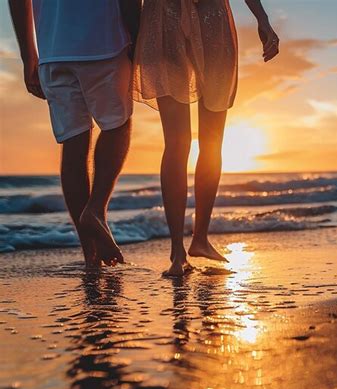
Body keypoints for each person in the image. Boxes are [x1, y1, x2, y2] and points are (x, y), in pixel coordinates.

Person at [133, 0, 279, 276]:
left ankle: (183, 250)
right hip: (182, 18)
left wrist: (263, 19)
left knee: (186, 143)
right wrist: (262, 19)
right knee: (200, 143)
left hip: (185, 18)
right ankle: (191, 243)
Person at [8, 0, 141, 267]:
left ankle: (90, 255)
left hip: (53, 51)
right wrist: (137, 40)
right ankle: (96, 210)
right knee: (118, 125)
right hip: (105, 43)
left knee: (74, 144)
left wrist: (28, 56)